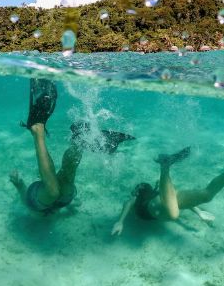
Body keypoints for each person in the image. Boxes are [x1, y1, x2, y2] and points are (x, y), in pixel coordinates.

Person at [10, 78, 135, 215]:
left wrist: (19, 184)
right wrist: (70, 206)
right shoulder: (60, 207)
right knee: (66, 187)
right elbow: (67, 203)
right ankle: (80, 141)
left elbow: (24, 198)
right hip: (63, 201)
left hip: (36, 202)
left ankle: (38, 131)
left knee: (53, 192)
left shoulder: (34, 211)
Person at [111, 147, 224, 235]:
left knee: (173, 215)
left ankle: (165, 165)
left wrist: (120, 221)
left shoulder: (142, 195)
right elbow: (174, 200)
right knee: (207, 195)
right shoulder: (156, 192)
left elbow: (128, 202)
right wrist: (199, 211)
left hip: (160, 204)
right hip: (167, 198)